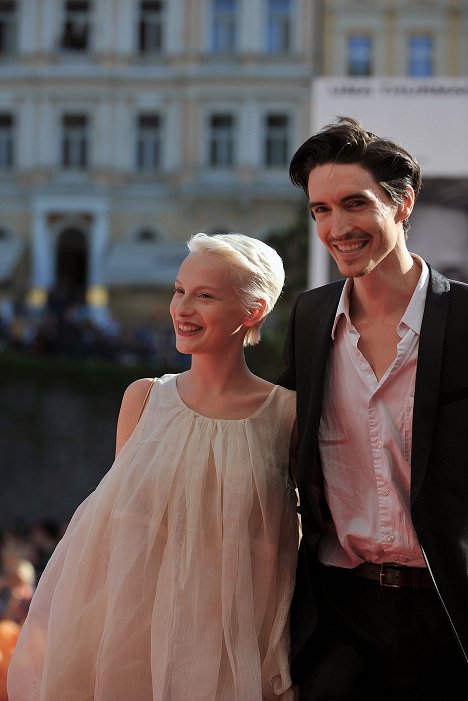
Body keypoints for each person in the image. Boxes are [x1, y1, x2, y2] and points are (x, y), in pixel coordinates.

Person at [7, 232, 299, 701]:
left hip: (237, 653)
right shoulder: (143, 399)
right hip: (136, 642)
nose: (182, 307)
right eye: (179, 290)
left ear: (254, 310)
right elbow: (117, 539)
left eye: (205, 295)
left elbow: (287, 549)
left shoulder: (288, 415)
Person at [279, 115, 468, 700]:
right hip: (339, 613)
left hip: (449, 616)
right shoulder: (310, 319)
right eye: (321, 210)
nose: (337, 227)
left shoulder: (464, 320)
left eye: (354, 204)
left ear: (403, 203)